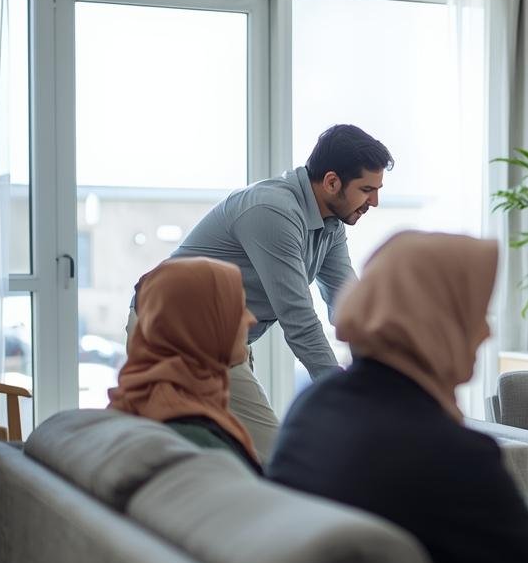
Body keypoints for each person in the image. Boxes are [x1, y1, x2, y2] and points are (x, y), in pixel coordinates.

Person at [268, 231, 528, 563]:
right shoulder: (451, 453)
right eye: (472, 313)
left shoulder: (314, 406)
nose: (486, 333)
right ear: (434, 320)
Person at [155, 124, 392, 454]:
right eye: (367, 189)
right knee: (269, 454)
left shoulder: (331, 225)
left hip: (226, 337)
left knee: (231, 454)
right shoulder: (274, 211)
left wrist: (382, 380)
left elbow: (349, 307)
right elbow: (299, 321)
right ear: (332, 182)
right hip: (176, 329)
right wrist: (345, 398)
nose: (375, 201)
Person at [108, 257, 261, 473]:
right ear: (201, 324)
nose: (251, 319)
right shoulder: (195, 440)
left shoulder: (142, 403)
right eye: (238, 308)